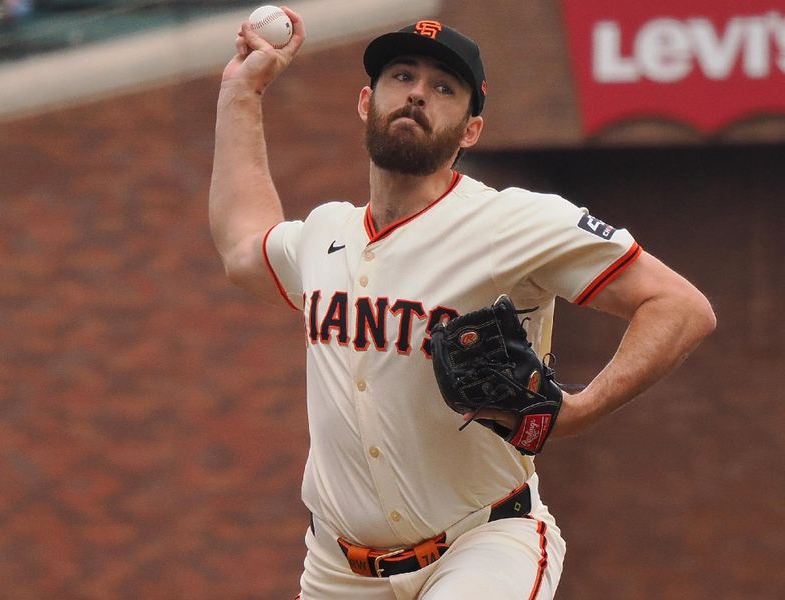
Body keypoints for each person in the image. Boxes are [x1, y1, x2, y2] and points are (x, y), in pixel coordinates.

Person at [209, 8, 716, 599]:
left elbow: (679, 307)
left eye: (445, 88)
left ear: (471, 130)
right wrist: (240, 91)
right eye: (402, 77)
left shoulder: (510, 222)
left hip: (483, 544)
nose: (419, 94)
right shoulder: (326, 234)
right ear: (366, 101)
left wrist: (580, 411)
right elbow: (243, 246)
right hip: (338, 570)